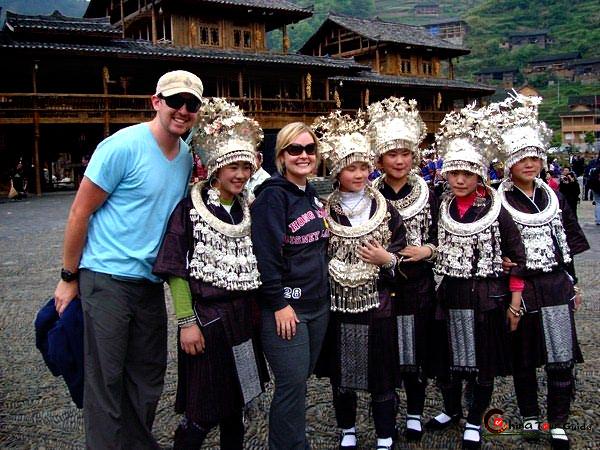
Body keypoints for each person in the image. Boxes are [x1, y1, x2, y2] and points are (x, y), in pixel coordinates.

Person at [53, 70, 202, 449]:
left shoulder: (186, 157)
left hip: (150, 282)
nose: (183, 110)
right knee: (106, 378)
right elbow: (80, 212)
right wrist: (69, 276)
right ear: (156, 102)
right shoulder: (122, 146)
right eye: (175, 101)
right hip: (106, 276)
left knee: (148, 375)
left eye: (192, 104)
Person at [153, 98, 268, 449]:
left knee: (236, 407)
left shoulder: (249, 208)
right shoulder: (191, 207)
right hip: (207, 321)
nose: (240, 174)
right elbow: (175, 269)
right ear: (216, 168)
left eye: (245, 167)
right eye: (232, 166)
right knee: (202, 412)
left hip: (244, 319)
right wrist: (187, 322)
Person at [425, 103, 527, 450]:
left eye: (467, 173)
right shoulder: (442, 204)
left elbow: (518, 255)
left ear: (479, 176)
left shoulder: (497, 209)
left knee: (481, 360)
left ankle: (474, 417)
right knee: (448, 358)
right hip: (450, 293)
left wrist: (514, 300)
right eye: (453, 173)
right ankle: (452, 408)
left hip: (487, 295)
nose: (460, 179)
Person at [494, 93, 589, 449]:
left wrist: (574, 283)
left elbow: (566, 244)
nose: (530, 164)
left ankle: (558, 419)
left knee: (561, 356)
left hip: (553, 285)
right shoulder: (497, 201)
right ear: (509, 163)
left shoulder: (555, 197)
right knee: (524, 358)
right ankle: (531, 414)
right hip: (518, 288)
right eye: (522, 159)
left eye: (535, 157)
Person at [313, 111, 407, 450]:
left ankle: (385, 432)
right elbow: (313, 254)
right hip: (338, 306)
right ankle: (347, 429)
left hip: (378, 303)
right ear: (338, 171)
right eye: (351, 168)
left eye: (364, 168)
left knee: (381, 372)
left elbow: (399, 249)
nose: (359, 174)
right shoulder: (324, 210)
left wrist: (388, 260)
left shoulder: (384, 208)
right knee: (344, 372)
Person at [250, 122, 330, 449]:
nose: (303, 155)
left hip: (318, 305)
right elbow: (265, 257)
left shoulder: (310, 195)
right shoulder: (273, 197)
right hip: (288, 309)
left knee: (299, 384)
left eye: (309, 149)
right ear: (281, 156)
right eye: (294, 149)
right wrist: (280, 303)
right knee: (290, 385)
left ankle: (296, 440)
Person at [367, 97, 439, 442]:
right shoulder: (366, 195)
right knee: (385, 355)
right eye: (391, 155)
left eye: (405, 154)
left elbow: (448, 239)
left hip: (416, 287)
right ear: (379, 159)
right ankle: (384, 414)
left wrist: (428, 249)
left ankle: (414, 411)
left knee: (414, 354)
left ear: (414, 157)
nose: (398, 161)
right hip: (378, 289)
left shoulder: (431, 194)